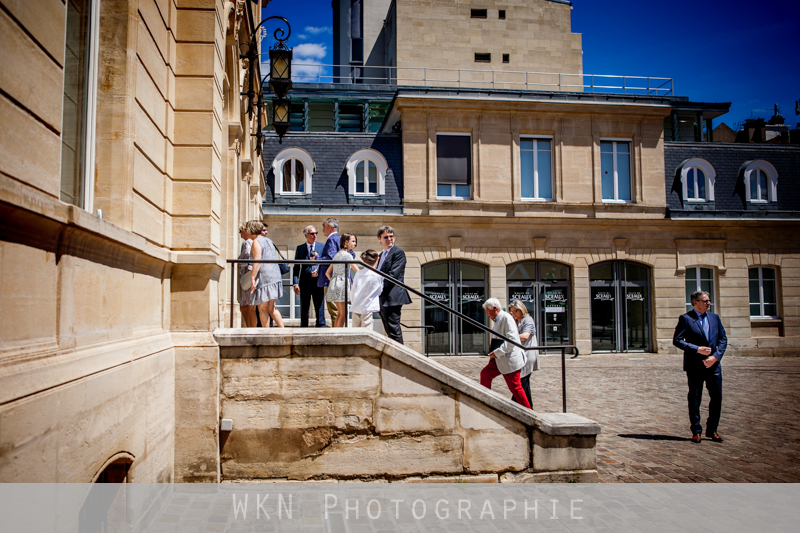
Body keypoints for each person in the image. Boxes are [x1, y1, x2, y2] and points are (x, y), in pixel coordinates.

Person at [673, 290, 727, 444]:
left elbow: (723, 339)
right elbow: (677, 340)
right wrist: (697, 349)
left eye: (709, 300)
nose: (708, 303)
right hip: (695, 365)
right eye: (705, 301)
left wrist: (715, 357)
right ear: (695, 303)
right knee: (695, 398)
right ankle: (696, 431)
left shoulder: (714, 318)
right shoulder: (686, 319)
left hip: (713, 365)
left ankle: (712, 430)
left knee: (717, 398)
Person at [479, 298, 531, 409]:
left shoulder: (506, 318)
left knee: (516, 387)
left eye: (488, 311)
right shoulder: (498, 319)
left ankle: (530, 413)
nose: (487, 314)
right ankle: (485, 402)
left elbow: (512, 340)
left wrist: (497, 352)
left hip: (508, 358)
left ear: (495, 309)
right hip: (500, 359)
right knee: (485, 374)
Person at [376, 226, 412, 344]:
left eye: (391, 236)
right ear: (379, 239)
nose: (389, 239)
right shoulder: (382, 255)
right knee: (388, 329)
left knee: (393, 329)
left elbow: (392, 275)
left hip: (393, 296)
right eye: (386, 237)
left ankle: (402, 358)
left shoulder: (398, 253)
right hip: (383, 296)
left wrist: (377, 288)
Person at [247, 219, 284, 328]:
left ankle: (267, 333)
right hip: (275, 275)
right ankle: (283, 331)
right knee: (271, 308)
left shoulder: (256, 242)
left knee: (262, 308)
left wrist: (253, 277)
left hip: (265, 277)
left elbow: (257, 260)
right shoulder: (269, 240)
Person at [292, 225, 326, 327]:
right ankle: (303, 329)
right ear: (306, 235)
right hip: (305, 282)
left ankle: (321, 327)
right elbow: (296, 267)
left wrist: (318, 270)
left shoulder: (322, 246)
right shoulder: (300, 248)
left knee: (319, 306)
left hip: (318, 281)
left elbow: (325, 262)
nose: (314, 235)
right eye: (312, 234)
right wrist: (295, 283)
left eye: (316, 233)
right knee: (304, 308)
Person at [326, 233, 359, 328]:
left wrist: (334, 281)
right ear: (346, 242)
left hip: (334, 284)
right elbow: (357, 270)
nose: (355, 244)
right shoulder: (347, 255)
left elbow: (327, 273)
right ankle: (337, 335)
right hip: (342, 285)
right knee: (343, 313)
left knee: (339, 313)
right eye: (353, 241)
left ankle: (335, 334)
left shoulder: (337, 255)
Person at [509, 300, 537, 407]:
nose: (514, 314)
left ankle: (513, 406)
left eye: (515, 311)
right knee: (524, 383)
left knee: (521, 382)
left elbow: (525, 336)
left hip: (528, 354)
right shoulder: (516, 321)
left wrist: (509, 337)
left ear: (521, 310)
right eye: (512, 312)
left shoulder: (527, 319)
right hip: (521, 353)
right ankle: (528, 407)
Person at [350, 249, 383, 329]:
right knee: (366, 328)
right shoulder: (378, 275)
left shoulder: (359, 273)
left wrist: (352, 301)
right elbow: (379, 291)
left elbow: (353, 289)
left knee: (355, 328)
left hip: (356, 304)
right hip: (368, 305)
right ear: (377, 259)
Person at [317, 217, 341, 324]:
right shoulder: (339, 239)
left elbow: (330, 258)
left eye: (324, 227)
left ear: (330, 227)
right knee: (338, 309)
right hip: (337, 278)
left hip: (330, 279)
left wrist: (317, 259)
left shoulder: (331, 239)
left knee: (334, 310)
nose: (322, 230)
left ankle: (337, 335)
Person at [237, 223, 256, 327]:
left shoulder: (247, 243)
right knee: (249, 306)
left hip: (247, 275)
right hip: (252, 274)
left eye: (240, 231)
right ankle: (251, 327)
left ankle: (250, 327)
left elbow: (246, 258)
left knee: (246, 306)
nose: (240, 234)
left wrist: (240, 263)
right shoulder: (253, 241)